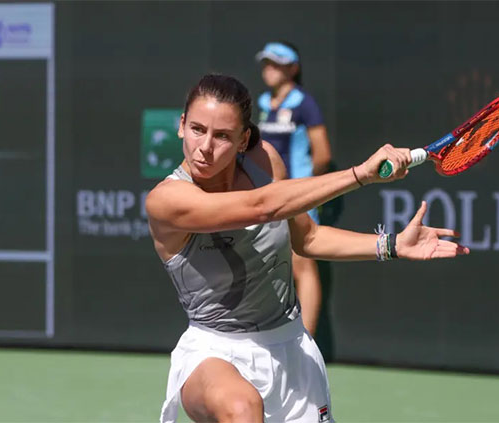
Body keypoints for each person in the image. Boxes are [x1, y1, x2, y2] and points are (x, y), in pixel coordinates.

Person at [147, 74, 469, 423]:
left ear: (243, 140)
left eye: (222, 135)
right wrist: (360, 174)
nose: (205, 146)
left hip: (290, 350)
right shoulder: (167, 200)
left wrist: (390, 244)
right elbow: (262, 207)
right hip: (212, 351)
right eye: (196, 129)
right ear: (181, 126)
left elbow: (308, 239)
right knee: (241, 408)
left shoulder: (264, 162)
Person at [256, 41, 332, 337]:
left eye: (276, 64)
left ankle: (308, 343)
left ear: (293, 68)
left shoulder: (304, 103)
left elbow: (322, 154)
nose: (269, 69)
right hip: (265, 198)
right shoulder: (261, 104)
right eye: (266, 63)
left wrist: (307, 188)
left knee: (302, 265)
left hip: (298, 196)